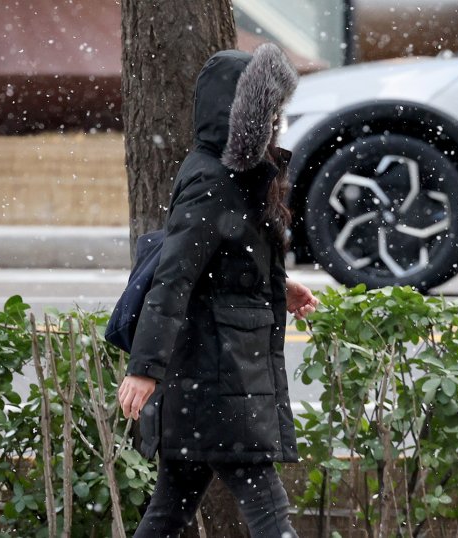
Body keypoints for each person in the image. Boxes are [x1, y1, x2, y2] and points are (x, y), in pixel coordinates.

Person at [117, 43, 318, 537]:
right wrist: (145, 370)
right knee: (269, 511)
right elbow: (174, 276)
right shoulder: (213, 179)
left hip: (219, 377)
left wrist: (280, 285)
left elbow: (227, 257)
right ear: (242, 113)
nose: (276, 120)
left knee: (167, 513)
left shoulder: (239, 175)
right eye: (268, 109)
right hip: (217, 376)